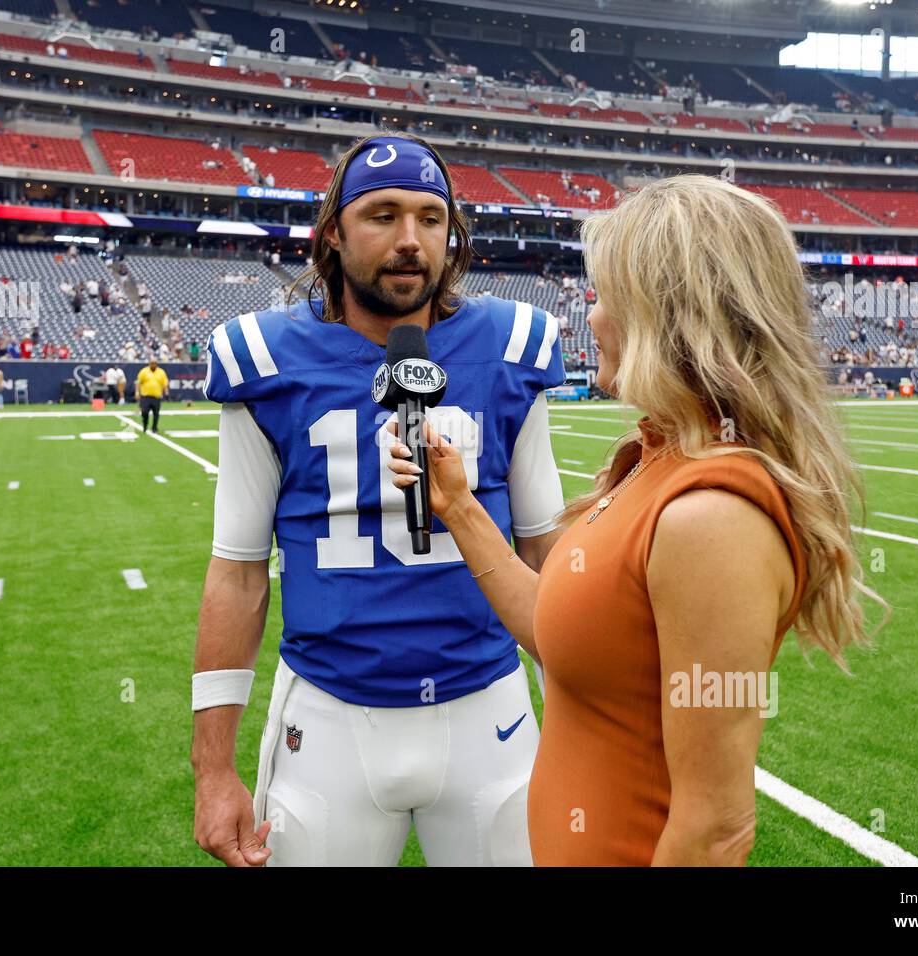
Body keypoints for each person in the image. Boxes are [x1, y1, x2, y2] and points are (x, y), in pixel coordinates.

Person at [388, 175, 883, 866]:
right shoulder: (660, 462)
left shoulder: (710, 514)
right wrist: (459, 507)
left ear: (667, 312)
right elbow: (556, 631)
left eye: (603, 297)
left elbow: (716, 830)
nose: (588, 318)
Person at [192, 132, 565, 868]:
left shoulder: (511, 344)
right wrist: (212, 770)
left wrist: (587, 721)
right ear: (333, 231)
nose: (409, 240)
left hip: (487, 706)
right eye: (382, 215)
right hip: (329, 716)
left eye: (431, 218)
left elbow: (544, 551)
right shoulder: (265, 359)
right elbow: (237, 572)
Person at [135, 358, 168, 433]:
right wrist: (137, 392)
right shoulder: (144, 371)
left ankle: (154, 428)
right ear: (149, 364)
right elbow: (138, 382)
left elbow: (165, 383)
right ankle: (145, 425)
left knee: (156, 413)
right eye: (152, 363)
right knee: (145, 412)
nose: (153, 365)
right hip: (146, 396)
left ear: (156, 364)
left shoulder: (161, 372)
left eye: (154, 363)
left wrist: (166, 391)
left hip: (156, 396)